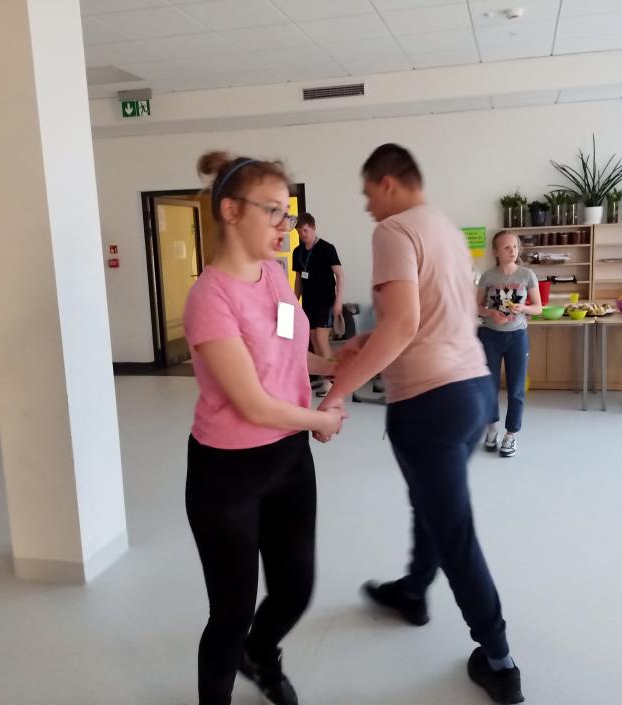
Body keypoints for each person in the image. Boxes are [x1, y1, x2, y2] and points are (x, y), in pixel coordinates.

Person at [320, 144, 524, 704]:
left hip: (429, 403)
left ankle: (500, 661)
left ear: (388, 182)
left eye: (367, 192)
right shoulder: (446, 230)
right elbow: (435, 315)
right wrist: (366, 340)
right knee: (431, 505)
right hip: (473, 391)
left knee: (453, 531)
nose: (367, 205)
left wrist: (335, 394)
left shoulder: (393, 231)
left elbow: (405, 323)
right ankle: (413, 590)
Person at [183, 151, 346, 705]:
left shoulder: (275, 274)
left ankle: (260, 653)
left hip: (289, 460)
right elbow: (252, 403)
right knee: (231, 612)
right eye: (273, 211)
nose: (286, 224)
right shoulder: (209, 297)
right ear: (231, 210)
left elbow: (288, 356)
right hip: (228, 474)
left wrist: (335, 364)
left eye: (288, 212)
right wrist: (321, 418)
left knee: (296, 588)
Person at [477, 231, 542, 458]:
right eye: (506, 247)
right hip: (489, 336)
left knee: (516, 388)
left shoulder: (527, 275)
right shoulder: (487, 276)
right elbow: (476, 307)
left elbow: (538, 307)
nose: (512, 250)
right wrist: (491, 313)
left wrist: (523, 308)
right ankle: (491, 429)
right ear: (496, 252)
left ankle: (511, 435)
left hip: (517, 337)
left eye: (514, 246)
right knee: (489, 386)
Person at [291, 213, 344, 396]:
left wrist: (338, 301)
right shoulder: (297, 251)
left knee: (321, 340)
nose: (302, 234)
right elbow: (299, 279)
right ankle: (325, 377)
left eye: (305, 230)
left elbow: (340, 274)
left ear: (313, 228)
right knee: (313, 340)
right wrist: (294, 301)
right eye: (299, 231)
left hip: (325, 301)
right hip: (309, 302)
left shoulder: (326, 248)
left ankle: (335, 380)